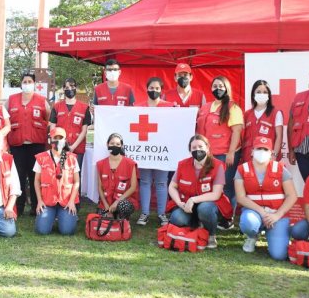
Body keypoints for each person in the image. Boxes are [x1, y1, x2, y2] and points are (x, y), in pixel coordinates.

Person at [235, 136, 298, 260]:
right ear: (252, 151)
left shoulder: (280, 169)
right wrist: (262, 212)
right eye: (259, 149)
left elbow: (292, 196)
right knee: (248, 222)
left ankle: (276, 234)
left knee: (279, 255)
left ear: (271, 153)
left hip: (277, 215)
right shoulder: (242, 169)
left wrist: (277, 215)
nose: (262, 152)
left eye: (265, 149)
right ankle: (252, 236)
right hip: (255, 212)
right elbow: (241, 197)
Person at [196, 75, 244, 229]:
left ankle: (227, 218)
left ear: (227, 88)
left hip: (226, 154)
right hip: (209, 155)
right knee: (210, 186)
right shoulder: (205, 107)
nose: (218, 89)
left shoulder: (233, 107)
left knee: (227, 187)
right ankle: (212, 215)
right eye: (215, 86)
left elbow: (237, 131)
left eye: (221, 86)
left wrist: (231, 153)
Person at [168, 134, 229, 249]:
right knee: (176, 218)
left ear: (207, 147)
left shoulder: (218, 165)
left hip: (209, 205)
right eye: (194, 148)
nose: (198, 150)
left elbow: (216, 194)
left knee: (204, 209)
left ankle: (211, 235)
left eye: (200, 147)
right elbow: (172, 187)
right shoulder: (182, 165)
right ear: (189, 150)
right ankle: (196, 227)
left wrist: (193, 199)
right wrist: (179, 203)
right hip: (187, 205)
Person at [6, 72, 50, 216]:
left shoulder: (42, 100)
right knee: (18, 175)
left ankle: (36, 206)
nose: (27, 84)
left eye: (30, 81)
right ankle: (18, 206)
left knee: (34, 175)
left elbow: (49, 120)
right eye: (24, 81)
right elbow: (5, 119)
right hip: (17, 145)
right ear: (21, 83)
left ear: (34, 83)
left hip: (36, 145)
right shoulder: (11, 100)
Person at [135, 77, 173, 226]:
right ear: (146, 89)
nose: (154, 91)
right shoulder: (138, 107)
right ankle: (144, 213)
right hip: (145, 150)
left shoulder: (170, 107)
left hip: (162, 152)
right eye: (151, 88)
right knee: (144, 181)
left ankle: (162, 213)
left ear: (161, 90)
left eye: (157, 88)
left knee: (162, 183)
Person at [34, 127, 80, 235]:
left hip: (66, 201)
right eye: (56, 138)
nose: (58, 141)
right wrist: (39, 201)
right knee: (42, 231)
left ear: (65, 140)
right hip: (48, 201)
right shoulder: (42, 157)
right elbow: (36, 181)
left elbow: (76, 182)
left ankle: (63, 217)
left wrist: (72, 201)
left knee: (67, 231)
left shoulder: (71, 158)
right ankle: (50, 217)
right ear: (50, 140)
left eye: (61, 138)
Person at [49, 78, 91, 169]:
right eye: (67, 87)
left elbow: (84, 131)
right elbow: (52, 128)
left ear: (76, 87)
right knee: (61, 173)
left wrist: (73, 147)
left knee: (75, 175)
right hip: (60, 148)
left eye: (72, 86)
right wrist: (58, 144)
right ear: (63, 89)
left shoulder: (84, 108)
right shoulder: (57, 107)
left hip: (77, 149)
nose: (70, 89)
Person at [96, 133, 138, 219]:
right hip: (107, 202)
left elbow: (133, 187)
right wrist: (106, 205)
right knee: (104, 219)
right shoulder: (100, 164)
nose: (115, 146)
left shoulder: (130, 163)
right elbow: (100, 187)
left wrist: (117, 202)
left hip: (123, 201)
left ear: (121, 146)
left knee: (123, 207)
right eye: (112, 143)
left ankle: (122, 219)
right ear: (107, 144)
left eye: (118, 144)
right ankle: (112, 215)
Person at [241, 80, 283, 163]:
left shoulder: (275, 113)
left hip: (267, 157)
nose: (262, 94)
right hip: (248, 158)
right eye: (258, 92)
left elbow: (279, 137)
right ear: (253, 94)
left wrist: (274, 155)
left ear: (269, 95)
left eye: (265, 92)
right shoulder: (247, 114)